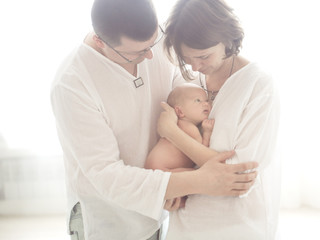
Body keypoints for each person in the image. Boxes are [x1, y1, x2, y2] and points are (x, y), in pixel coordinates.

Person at [50, 0, 259, 240]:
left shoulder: (152, 41)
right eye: (138, 52)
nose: (151, 55)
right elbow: (106, 175)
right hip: (109, 221)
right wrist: (195, 181)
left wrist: (178, 175)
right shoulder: (72, 85)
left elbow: (182, 91)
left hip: (160, 210)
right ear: (99, 41)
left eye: (153, 43)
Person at [159, 0, 281, 239]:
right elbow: (170, 159)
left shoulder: (258, 85)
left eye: (203, 56)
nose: (195, 66)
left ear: (226, 39)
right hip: (185, 223)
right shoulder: (189, 84)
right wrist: (169, 189)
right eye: (187, 58)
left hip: (238, 225)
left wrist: (171, 132)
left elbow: (239, 176)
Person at [145, 83, 214, 172]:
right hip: (161, 170)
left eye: (207, 100)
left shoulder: (180, 125)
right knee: (201, 173)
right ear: (180, 111)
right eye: (198, 100)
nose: (205, 104)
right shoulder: (187, 127)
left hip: (154, 168)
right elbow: (202, 152)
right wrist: (207, 132)